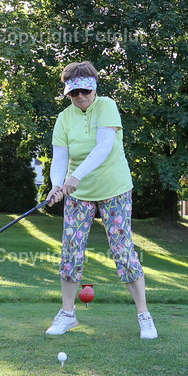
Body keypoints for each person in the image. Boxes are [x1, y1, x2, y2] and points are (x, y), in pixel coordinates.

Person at [45, 61, 157, 339]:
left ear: (94, 88)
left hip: (113, 188)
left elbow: (104, 147)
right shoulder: (64, 118)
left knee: (122, 248)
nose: (81, 96)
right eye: (74, 93)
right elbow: (59, 158)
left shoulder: (107, 106)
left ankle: (144, 315)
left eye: (85, 90)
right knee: (71, 250)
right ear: (68, 93)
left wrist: (77, 176)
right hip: (78, 194)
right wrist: (57, 185)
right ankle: (68, 315)